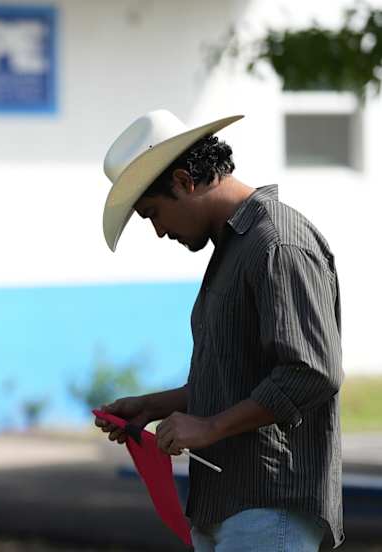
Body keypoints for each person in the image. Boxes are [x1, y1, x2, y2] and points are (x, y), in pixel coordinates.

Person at [95, 110, 343, 551]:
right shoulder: (234, 249)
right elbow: (237, 377)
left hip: (270, 503)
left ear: (185, 181)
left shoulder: (277, 241)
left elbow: (311, 371)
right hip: (226, 505)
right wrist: (151, 406)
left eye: (153, 213)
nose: (158, 232)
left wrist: (210, 426)